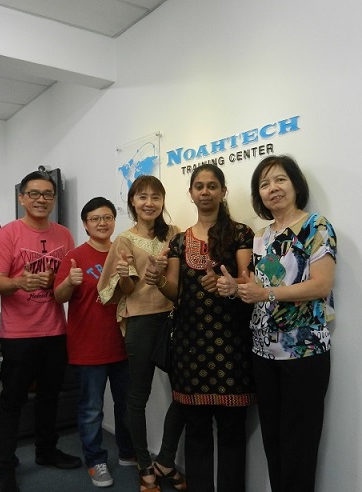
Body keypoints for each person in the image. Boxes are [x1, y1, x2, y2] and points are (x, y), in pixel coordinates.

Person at [217, 155, 337, 492]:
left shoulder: (316, 226)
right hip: (263, 353)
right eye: (265, 184)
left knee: (299, 445)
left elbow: (321, 285)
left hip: (304, 351)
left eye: (280, 179)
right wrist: (236, 289)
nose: (273, 188)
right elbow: (260, 288)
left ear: (296, 184)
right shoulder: (261, 236)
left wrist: (265, 293)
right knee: (273, 441)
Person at [145, 164, 256, 492]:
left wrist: (228, 284)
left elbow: (249, 282)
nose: (205, 192)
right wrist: (157, 280)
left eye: (212, 186)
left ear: (223, 191)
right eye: (199, 186)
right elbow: (175, 293)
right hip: (190, 346)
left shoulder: (241, 234)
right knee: (196, 433)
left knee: (232, 433)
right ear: (191, 194)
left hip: (232, 344)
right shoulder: (179, 241)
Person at [0, 170, 82, 492]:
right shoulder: (7, 235)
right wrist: (19, 282)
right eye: (34, 194)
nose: (41, 200)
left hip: (55, 330)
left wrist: (58, 281)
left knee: (49, 396)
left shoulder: (64, 235)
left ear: (53, 199)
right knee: (12, 401)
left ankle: (46, 450)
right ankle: (4, 467)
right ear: (22, 198)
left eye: (47, 194)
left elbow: (66, 280)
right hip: (18, 335)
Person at [97, 175, 186, 492]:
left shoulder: (175, 234)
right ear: (132, 202)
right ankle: (144, 465)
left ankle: (166, 460)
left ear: (163, 201)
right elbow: (123, 289)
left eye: (155, 197)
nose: (149, 203)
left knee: (185, 394)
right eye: (142, 197)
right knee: (137, 398)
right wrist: (123, 276)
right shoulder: (124, 240)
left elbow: (180, 281)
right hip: (141, 322)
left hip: (175, 320)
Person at [54, 197, 135, 488]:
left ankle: (128, 451)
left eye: (107, 217)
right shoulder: (74, 256)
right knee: (91, 409)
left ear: (114, 220)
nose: (102, 223)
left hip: (123, 343)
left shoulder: (123, 253)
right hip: (87, 346)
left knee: (126, 405)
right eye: (95, 218)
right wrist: (69, 281)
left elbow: (132, 293)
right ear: (86, 224)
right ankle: (95, 460)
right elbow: (58, 297)